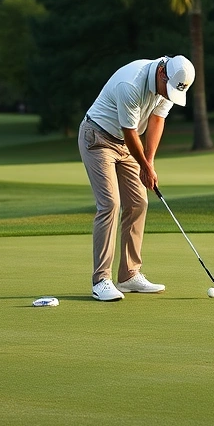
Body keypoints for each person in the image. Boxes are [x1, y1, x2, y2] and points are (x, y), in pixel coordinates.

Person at [78, 55, 195, 302]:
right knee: (110, 204)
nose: (168, 95)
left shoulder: (169, 84)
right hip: (98, 138)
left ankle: (129, 275)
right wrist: (144, 165)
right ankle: (101, 280)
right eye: (169, 89)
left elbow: (157, 119)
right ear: (162, 73)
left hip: (127, 144)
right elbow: (129, 132)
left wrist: (149, 162)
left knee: (138, 203)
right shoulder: (131, 83)